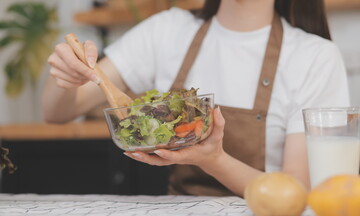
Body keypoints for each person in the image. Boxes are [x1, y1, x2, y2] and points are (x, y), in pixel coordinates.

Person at [43, 0, 350, 196]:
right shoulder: (168, 30)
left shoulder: (315, 57)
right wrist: (67, 77)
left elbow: (297, 190)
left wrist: (215, 160)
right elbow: (56, 112)